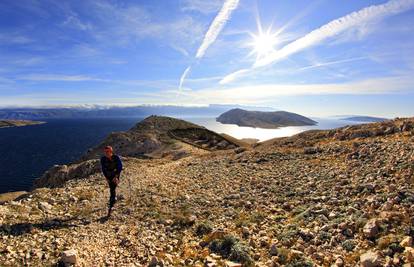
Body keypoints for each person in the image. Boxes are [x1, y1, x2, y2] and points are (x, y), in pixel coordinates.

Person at [100, 145, 123, 217]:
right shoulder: (103, 159)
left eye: (108, 151)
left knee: (112, 188)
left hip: (115, 175)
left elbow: (120, 167)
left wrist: (116, 177)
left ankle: (111, 207)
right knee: (112, 189)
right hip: (109, 176)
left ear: (111, 151)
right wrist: (106, 178)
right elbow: (103, 169)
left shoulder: (116, 158)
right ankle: (113, 200)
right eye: (106, 151)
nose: (107, 153)